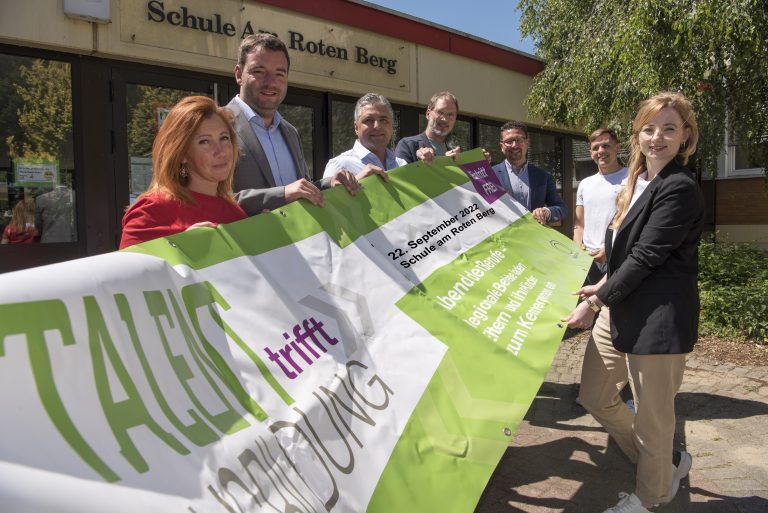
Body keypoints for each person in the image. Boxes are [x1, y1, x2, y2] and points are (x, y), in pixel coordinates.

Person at [563, 91, 704, 513]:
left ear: (685, 136)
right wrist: (600, 291)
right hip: (620, 306)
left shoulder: (679, 187)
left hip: (658, 318)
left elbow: (646, 256)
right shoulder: (636, 182)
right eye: (649, 129)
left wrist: (597, 300)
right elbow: (623, 255)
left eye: (669, 129)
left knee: (653, 418)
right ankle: (664, 464)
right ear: (637, 134)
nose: (657, 137)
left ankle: (651, 495)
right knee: (595, 395)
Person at [227, 34, 359, 215]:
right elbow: (208, 201)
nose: (270, 82)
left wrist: (329, 183)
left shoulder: (290, 132)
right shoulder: (218, 126)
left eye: (279, 73)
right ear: (238, 74)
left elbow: (298, 190)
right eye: (259, 71)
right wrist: (281, 195)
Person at [120, 96, 247, 249]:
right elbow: (129, 265)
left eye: (224, 138)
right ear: (181, 154)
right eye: (205, 141)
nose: (221, 152)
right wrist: (184, 248)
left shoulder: (236, 213)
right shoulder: (151, 212)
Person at [574, 128, 629, 284]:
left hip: (619, 258)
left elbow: (634, 223)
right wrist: (578, 248)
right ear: (591, 153)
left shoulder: (632, 178)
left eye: (606, 146)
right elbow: (579, 225)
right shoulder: (585, 184)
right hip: (587, 261)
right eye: (595, 148)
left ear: (617, 148)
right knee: (586, 299)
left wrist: (609, 249)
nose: (601, 151)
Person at [491, 121, 567, 225]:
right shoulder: (490, 175)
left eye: (519, 140)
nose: (514, 145)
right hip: (502, 234)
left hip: (534, 234)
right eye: (509, 141)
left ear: (527, 143)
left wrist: (547, 212)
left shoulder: (543, 176)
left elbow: (561, 208)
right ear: (502, 147)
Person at [323, 93, 404, 178]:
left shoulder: (402, 165)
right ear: (356, 128)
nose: (377, 126)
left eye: (383, 120)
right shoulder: (340, 166)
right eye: (369, 120)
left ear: (391, 126)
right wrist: (358, 182)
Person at [395, 91, 461, 164]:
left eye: (450, 114)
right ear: (428, 114)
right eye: (440, 112)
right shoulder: (408, 145)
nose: (445, 119)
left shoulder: (455, 155)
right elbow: (400, 171)